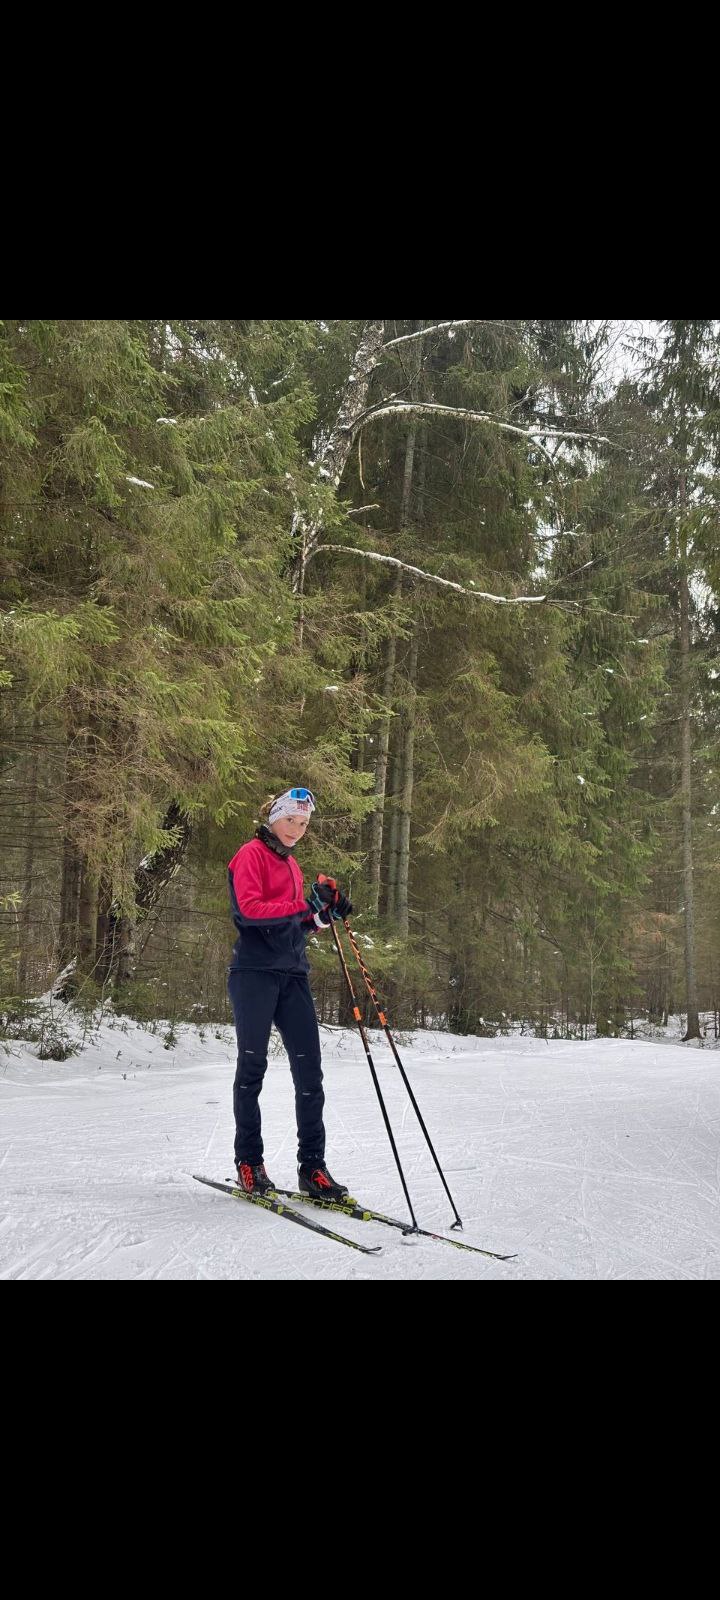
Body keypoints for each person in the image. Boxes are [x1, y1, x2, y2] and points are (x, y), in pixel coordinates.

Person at [227, 786, 353, 1201]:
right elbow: (250, 910)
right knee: (252, 1067)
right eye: (290, 820)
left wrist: (322, 916)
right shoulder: (250, 855)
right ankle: (249, 1162)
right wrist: (304, 906)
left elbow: (293, 925)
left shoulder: (292, 864)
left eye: (303, 823)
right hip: (253, 974)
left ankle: (312, 1167)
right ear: (273, 818)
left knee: (310, 1071)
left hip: (292, 975)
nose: (296, 829)